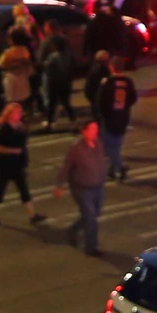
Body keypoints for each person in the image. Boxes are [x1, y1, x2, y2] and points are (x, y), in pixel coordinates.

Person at [0, 101, 43, 226]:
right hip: (5, 163)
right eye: (16, 112)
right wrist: (12, 150)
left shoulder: (20, 125)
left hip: (18, 163)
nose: (19, 114)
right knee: (0, 189)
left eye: (19, 112)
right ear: (9, 114)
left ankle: (32, 215)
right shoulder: (4, 129)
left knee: (24, 189)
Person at [60, 120, 108, 254]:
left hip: (98, 186)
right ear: (84, 131)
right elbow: (66, 167)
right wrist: (60, 185)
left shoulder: (98, 143)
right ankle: (91, 247)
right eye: (92, 129)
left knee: (95, 213)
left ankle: (73, 230)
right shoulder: (76, 148)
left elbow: (101, 160)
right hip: (82, 188)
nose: (95, 132)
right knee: (91, 218)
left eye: (96, 129)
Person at [91, 53, 138, 181]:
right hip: (122, 116)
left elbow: (100, 100)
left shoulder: (107, 82)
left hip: (109, 116)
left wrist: (99, 113)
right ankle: (112, 170)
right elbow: (133, 98)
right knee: (117, 143)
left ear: (112, 67)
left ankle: (119, 166)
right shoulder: (128, 81)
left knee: (108, 145)